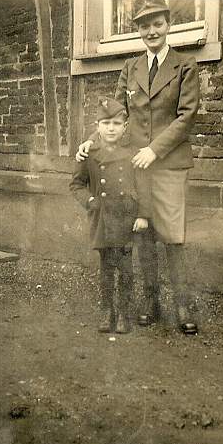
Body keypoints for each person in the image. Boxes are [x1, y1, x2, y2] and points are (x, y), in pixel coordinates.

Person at [76, 0, 200, 335]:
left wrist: (154, 151)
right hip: (133, 163)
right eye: (144, 26)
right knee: (141, 234)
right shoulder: (131, 67)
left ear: (168, 25)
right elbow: (116, 113)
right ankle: (150, 302)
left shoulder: (185, 65)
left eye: (157, 24)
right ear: (138, 31)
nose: (151, 31)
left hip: (168, 163)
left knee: (173, 237)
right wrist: (93, 141)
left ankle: (183, 306)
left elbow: (186, 117)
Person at [70, 96, 150, 334]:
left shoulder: (133, 152)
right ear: (97, 127)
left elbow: (144, 186)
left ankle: (125, 312)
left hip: (126, 217)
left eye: (116, 123)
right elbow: (76, 185)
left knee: (126, 268)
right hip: (102, 217)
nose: (111, 128)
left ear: (125, 126)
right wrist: (90, 201)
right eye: (106, 123)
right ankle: (107, 311)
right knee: (106, 268)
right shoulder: (89, 154)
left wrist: (143, 215)